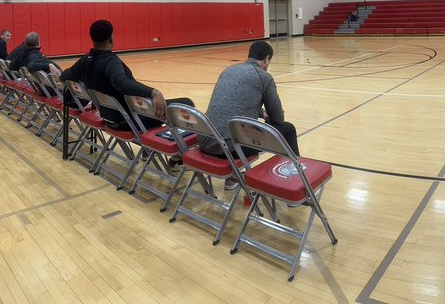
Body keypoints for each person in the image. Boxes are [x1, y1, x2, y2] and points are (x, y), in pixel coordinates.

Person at [60, 20, 193, 131]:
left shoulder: (84, 60)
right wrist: (154, 93)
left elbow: (65, 76)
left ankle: (150, 150)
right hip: (128, 120)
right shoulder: (110, 61)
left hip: (108, 117)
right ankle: (179, 150)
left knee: (151, 107)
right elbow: (122, 83)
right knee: (186, 104)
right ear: (111, 38)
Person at [200, 41, 298, 190]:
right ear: (266, 59)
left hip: (205, 141)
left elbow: (232, 101)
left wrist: (260, 111)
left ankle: (233, 177)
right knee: (288, 129)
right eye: (269, 62)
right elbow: (278, 119)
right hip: (230, 151)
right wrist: (270, 114)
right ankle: (295, 182)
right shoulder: (264, 77)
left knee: (233, 126)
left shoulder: (228, 70)